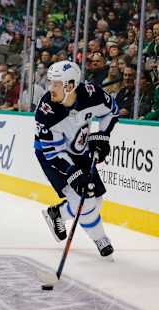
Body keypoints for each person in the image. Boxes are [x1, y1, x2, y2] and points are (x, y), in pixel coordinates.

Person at [34, 61, 119, 258]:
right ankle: (100, 239)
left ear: (70, 86)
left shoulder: (91, 94)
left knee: (96, 200)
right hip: (53, 157)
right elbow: (52, 153)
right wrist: (72, 172)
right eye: (50, 82)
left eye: (55, 84)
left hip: (80, 151)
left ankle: (58, 214)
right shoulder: (46, 111)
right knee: (85, 202)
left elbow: (112, 112)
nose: (50, 88)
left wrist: (102, 135)